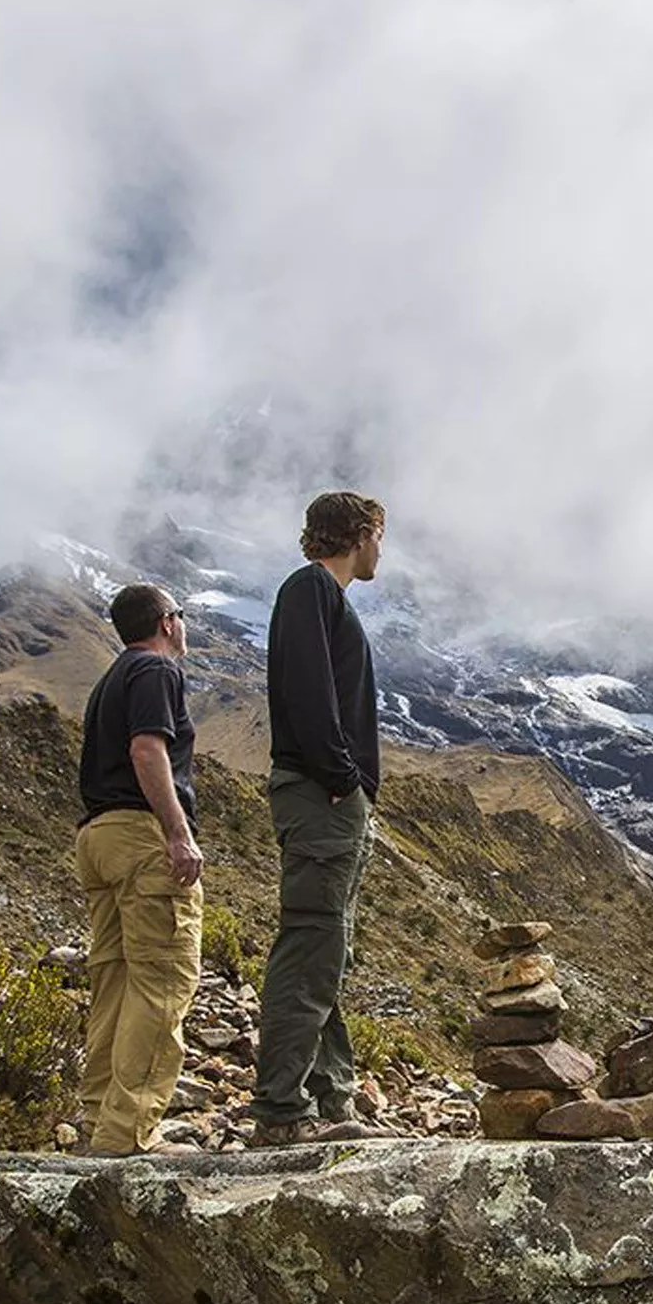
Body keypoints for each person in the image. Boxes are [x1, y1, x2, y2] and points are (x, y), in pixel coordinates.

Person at [249, 490, 386, 1146]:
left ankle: (332, 1101)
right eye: (378, 536)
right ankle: (281, 1110)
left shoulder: (322, 597)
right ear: (359, 535)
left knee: (326, 949)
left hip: (330, 797)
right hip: (320, 794)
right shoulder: (309, 590)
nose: (380, 551)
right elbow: (308, 689)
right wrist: (340, 776)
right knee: (310, 945)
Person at [75, 583, 204, 1157]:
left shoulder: (110, 679)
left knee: (116, 981)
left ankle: (98, 1120)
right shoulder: (156, 671)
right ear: (167, 623)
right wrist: (178, 833)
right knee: (164, 980)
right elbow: (148, 750)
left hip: (97, 837)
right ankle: (129, 1135)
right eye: (181, 616)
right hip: (139, 838)